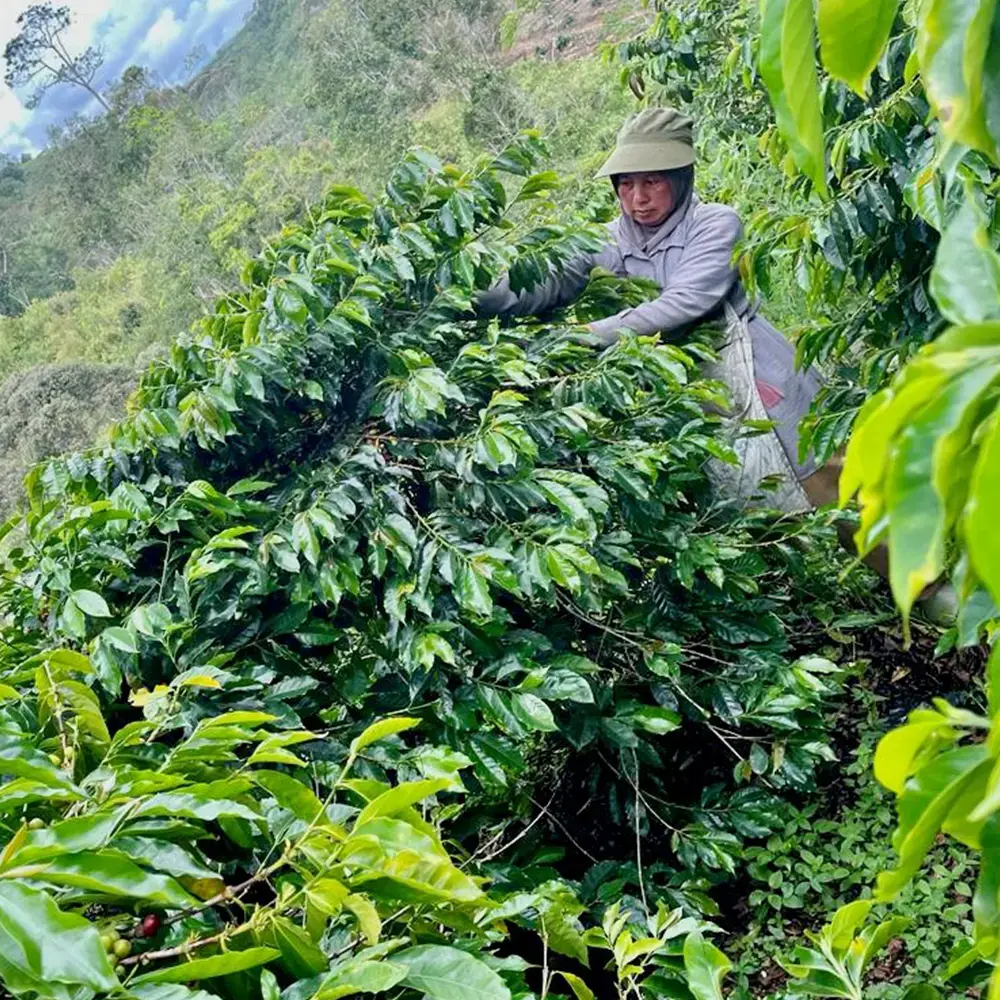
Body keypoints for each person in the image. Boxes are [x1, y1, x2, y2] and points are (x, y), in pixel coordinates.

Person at [477, 106, 836, 514]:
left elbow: (683, 302)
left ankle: (918, 573)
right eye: (626, 184)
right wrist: (462, 291)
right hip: (692, 400)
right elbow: (540, 282)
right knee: (750, 511)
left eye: (652, 182)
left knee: (831, 483)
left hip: (758, 377)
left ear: (681, 179)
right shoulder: (605, 241)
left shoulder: (715, 224)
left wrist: (582, 337)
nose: (638, 198)